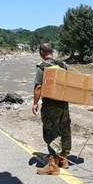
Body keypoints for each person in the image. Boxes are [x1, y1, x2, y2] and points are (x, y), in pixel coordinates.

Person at [32, 42, 72, 175]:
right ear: (52, 51)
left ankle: (53, 164)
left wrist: (35, 103)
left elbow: (38, 86)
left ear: (41, 52)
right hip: (63, 102)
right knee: (64, 128)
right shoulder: (62, 65)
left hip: (50, 104)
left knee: (51, 131)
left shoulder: (42, 66)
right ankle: (64, 159)